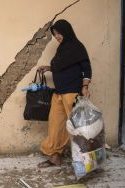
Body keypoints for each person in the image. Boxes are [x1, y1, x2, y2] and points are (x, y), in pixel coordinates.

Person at [37, 19, 92, 167]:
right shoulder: (62, 49)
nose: (57, 36)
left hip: (72, 93)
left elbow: (86, 69)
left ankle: (86, 162)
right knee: (56, 126)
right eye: (55, 34)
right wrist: (49, 68)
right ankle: (55, 156)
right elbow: (62, 67)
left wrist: (85, 87)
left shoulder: (77, 47)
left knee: (78, 127)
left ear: (66, 31)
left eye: (59, 33)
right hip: (59, 93)